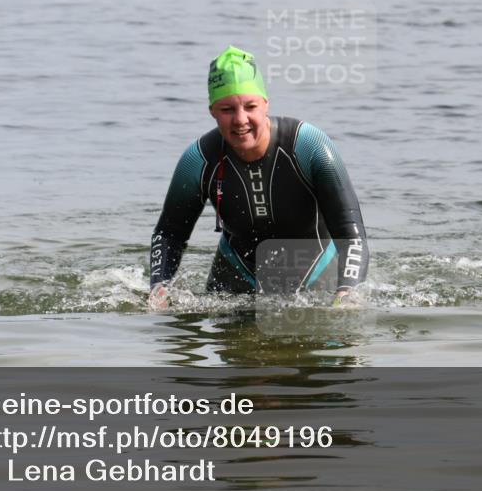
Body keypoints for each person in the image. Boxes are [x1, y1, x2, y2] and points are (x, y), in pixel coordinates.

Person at [148, 46, 369, 309]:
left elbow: (351, 233)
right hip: (236, 275)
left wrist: (347, 291)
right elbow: (169, 234)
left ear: (266, 103)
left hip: (316, 273)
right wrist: (159, 288)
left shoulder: (310, 146)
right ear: (212, 111)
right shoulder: (198, 161)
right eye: (227, 109)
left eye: (250, 106)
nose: (241, 120)